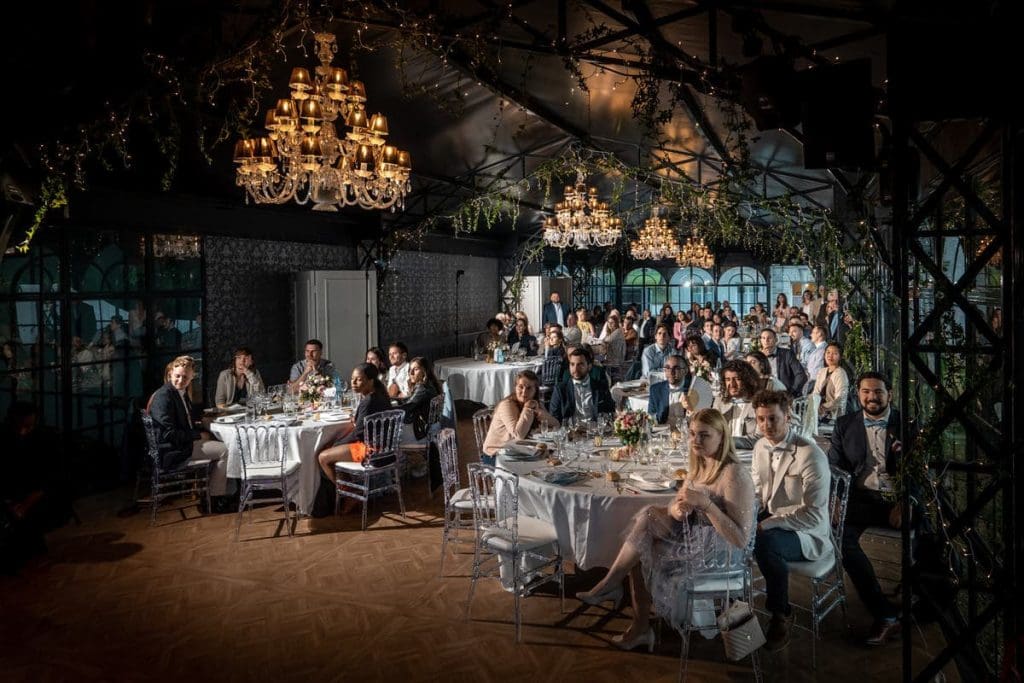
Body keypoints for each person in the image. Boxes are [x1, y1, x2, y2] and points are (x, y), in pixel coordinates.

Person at [575, 409, 755, 651]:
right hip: (694, 539)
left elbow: (740, 539)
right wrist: (676, 510)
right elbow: (679, 504)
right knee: (647, 527)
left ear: (722, 437)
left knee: (643, 542)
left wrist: (707, 505)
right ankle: (630, 614)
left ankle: (623, 604)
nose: (695, 441)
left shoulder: (733, 473)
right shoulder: (700, 464)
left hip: (720, 557)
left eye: (704, 435)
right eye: (692, 434)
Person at [828, 372, 920, 646]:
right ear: (858, 394)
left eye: (878, 391)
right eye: (866, 391)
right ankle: (885, 614)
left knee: (925, 538)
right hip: (861, 498)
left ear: (889, 394)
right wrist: (835, 499)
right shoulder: (845, 424)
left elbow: (918, 469)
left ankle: (924, 599)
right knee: (840, 540)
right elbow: (835, 466)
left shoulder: (907, 425)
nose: (871, 397)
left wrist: (907, 501)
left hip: (898, 499)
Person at [751, 390, 832, 652]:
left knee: (764, 543)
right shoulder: (760, 446)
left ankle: (781, 614)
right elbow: (757, 491)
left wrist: (769, 523)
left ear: (788, 417)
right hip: (774, 516)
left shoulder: (810, 454)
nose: (766, 426)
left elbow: (814, 514)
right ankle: (731, 604)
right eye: (761, 419)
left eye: (773, 418)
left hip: (807, 530)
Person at [1, 402, 73, 573]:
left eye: (28, 427)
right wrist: (9, 501)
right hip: (13, 492)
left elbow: (52, 478)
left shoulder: (44, 440)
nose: (23, 432)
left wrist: (26, 503)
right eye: (19, 426)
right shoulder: (6, 438)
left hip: (39, 494)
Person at [147, 356, 228, 499]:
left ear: (191, 378)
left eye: (185, 378)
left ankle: (220, 491)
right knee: (226, 451)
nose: (180, 380)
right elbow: (168, 434)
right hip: (173, 450)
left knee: (223, 441)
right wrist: (198, 435)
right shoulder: (163, 396)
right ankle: (217, 497)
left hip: (182, 443)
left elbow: (185, 421)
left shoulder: (179, 392)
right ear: (171, 373)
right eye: (177, 376)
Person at [317, 363, 393, 482]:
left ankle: (348, 495)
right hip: (386, 449)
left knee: (323, 457)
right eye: (352, 379)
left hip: (370, 451)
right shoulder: (381, 395)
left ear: (370, 381)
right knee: (331, 449)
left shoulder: (368, 401)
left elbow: (358, 433)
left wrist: (338, 444)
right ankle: (350, 491)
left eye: (358, 380)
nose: (353, 383)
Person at [481, 370, 559, 459]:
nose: (524, 392)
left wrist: (541, 413)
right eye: (520, 387)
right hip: (496, 455)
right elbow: (519, 435)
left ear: (535, 391)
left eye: (529, 388)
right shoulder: (507, 405)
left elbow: (556, 424)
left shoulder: (536, 403)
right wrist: (528, 408)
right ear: (515, 388)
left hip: (520, 451)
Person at [397, 357, 442, 481]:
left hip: (423, 433)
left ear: (425, 371)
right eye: (410, 370)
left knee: (391, 435)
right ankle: (405, 465)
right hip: (431, 428)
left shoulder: (423, 388)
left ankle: (399, 469)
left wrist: (387, 409)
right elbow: (411, 402)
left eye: (415, 369)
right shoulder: (430, 385)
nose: (411, 373)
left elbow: (407, 408)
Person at [549, 346, 614, 422]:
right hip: (571, 432)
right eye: (572, 364)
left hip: (595, 431)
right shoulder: (560, 389)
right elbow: (554, 418)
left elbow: (610, 412)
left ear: (589, 367)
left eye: (580, 364)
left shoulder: (600, 387)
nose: (575, 369)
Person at [713, 359, 761, 449]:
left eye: (737, 379)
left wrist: (726, 441)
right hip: (724, 454)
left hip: (750, 455)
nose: (732, 384)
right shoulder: (719, 401)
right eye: (728, 380)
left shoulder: (759, 403)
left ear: (747, 380)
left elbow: (759, 439)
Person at [759, 328, 806, 398]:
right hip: (763, 394)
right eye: (763, 338)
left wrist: (791, 392)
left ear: (776, 340)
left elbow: (801, 374)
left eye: (769, 338)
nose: (766, 341)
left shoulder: (787, 354)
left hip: (783, 394)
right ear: (760, 341)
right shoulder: (757, 357)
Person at [647, 354, 692, 425]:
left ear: (685, 371)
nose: (671, 372)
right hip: (663, 431)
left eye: (676, 368)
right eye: (667, 368)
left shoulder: (693, 388)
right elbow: (651, 417)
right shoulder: (655, 389)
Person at [812, 342, 850, 421]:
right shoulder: (822, 371)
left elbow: (839, 399)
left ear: (840, 357)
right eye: (828, 352)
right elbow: (816, 392)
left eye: (835, 353)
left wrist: (823, 407)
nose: (830, 356)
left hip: (834, 417)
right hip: (819, 415)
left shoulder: (840, 373)